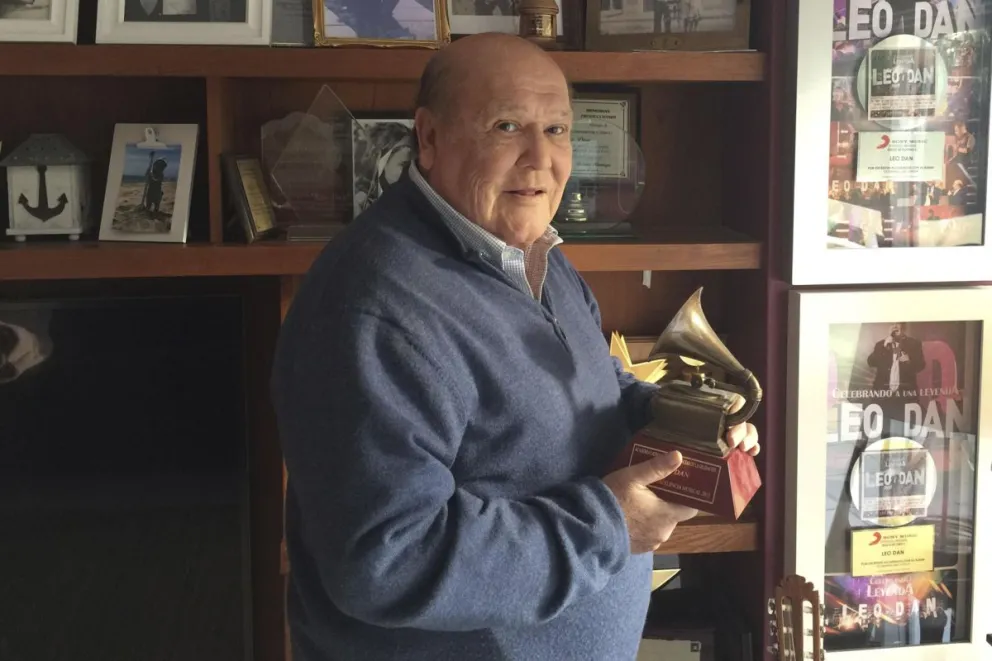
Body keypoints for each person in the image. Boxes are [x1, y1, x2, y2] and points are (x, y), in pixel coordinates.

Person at [271, 33, 760, 661]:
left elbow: (593, 387)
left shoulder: (534, 253)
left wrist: (681, 420)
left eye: (557, 129)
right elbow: (386, 560)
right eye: (506, 126)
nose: (540, 159)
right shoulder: (373, 310)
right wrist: (610, 527)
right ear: (429, 137)